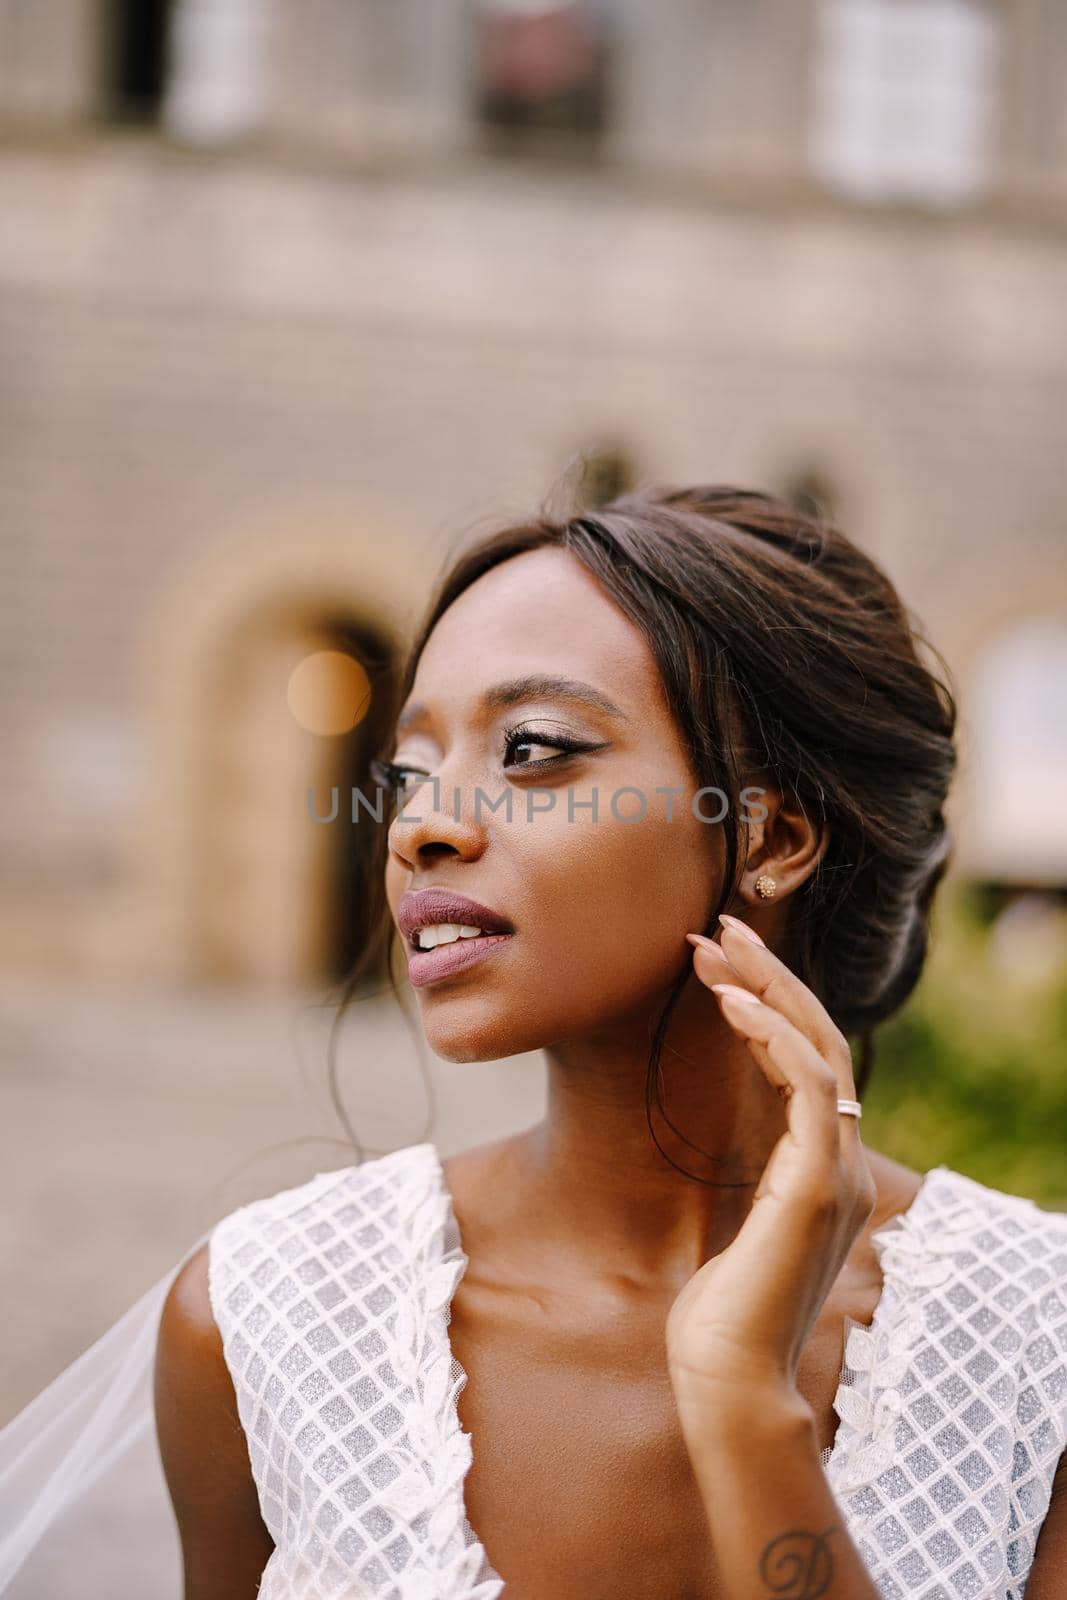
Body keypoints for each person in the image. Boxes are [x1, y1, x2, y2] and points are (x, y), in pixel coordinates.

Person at [2, 485, 1065, 1598]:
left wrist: (744, 1401)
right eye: (405, 771)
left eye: (532, 748)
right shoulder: (264, 1319)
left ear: (772, 833)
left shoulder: (1035, 1342)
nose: (421, 823)